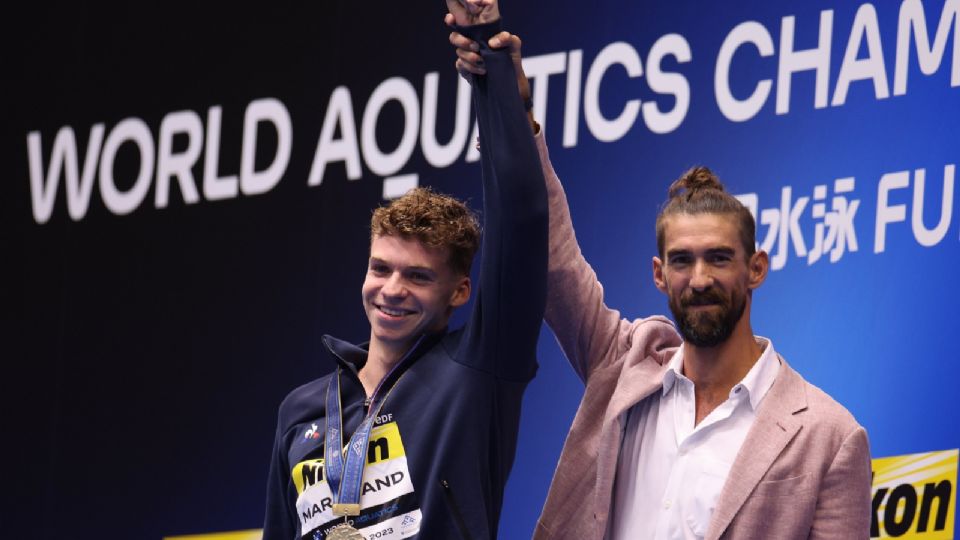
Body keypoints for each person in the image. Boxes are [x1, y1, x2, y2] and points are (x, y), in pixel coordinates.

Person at [451, 20, 873, 540]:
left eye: (719, 258)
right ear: (659, 274)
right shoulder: (623, 365)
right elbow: (552, 252)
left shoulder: (828, 434)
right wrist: (514, 111)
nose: (699, 280)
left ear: (756, 268)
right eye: (682, 261)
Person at [261, 2, 547, 538]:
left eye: (418, 277)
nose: (391, 290)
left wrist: (490, 66)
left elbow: (524, 218)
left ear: (460, 291)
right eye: (381, 268)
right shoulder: (300, 410)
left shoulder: (478, 370)